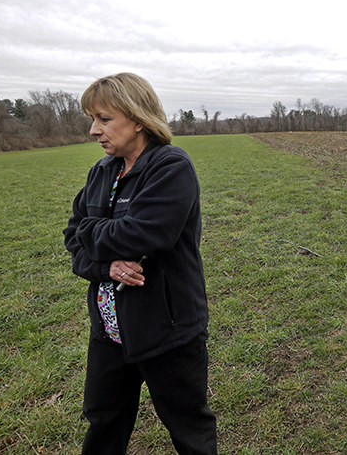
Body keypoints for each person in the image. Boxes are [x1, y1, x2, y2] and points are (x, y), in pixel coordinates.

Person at [63, 72, 217, 454]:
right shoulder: (101, 171)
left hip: (167, 329)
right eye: (92, 119)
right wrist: (106, 267)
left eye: (103, 118)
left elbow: (145, 235)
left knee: (188, 427)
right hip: (110, 331)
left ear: (137, 118)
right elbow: (72, 240)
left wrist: (90, 231)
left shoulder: (170, 167)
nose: (93, 130)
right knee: (104, 422)